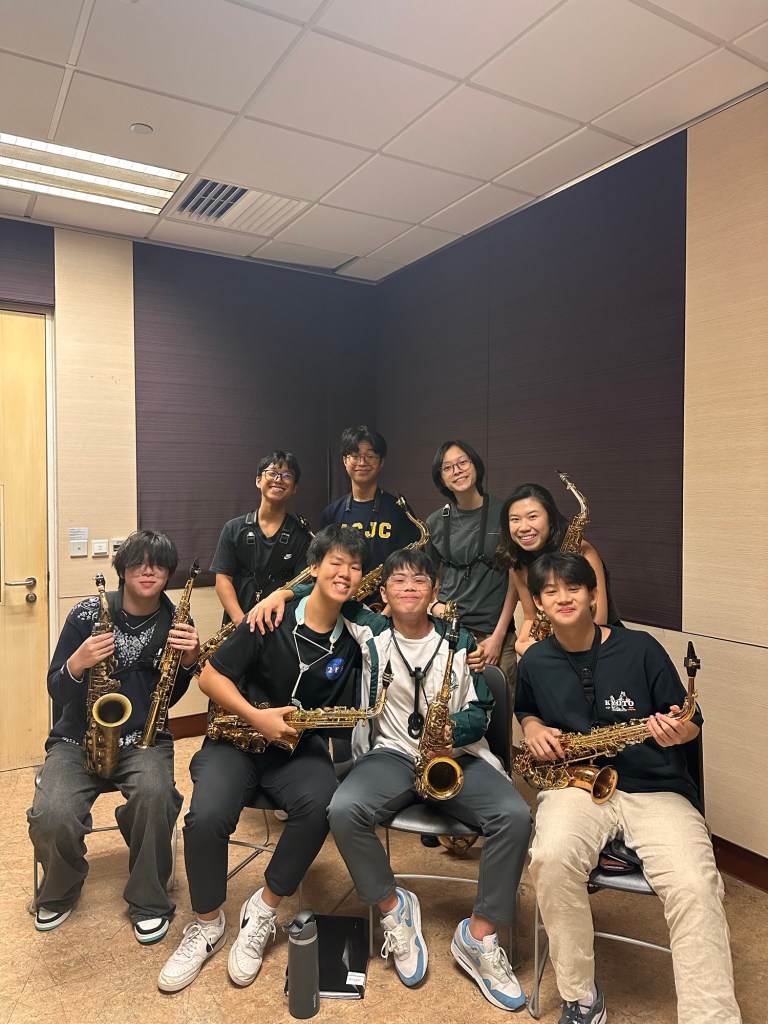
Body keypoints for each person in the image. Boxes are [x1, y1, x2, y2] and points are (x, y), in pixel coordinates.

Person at [252, 548, 532, 1012]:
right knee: (343, 810)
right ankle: (393, 908)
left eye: (419, 581)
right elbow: (327, 589)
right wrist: (282, 592)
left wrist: (453, 731)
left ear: (435, 590)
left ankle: (479, 936)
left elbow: (483, 709)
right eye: (398, 581)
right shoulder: (370, 629)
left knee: (516, 815)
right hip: (392, 754)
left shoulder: (462, 640)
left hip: (455, 757)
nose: (408, 589)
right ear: (383, 591)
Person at [516, 552, 741, 1024]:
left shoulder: (641, 648)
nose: (563, 598)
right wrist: (532, 726)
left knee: (696, 884)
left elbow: (690, 721)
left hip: (655, 789)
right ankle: (580, 997)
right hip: (576, 784)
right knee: (549, 859)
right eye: (550, 591)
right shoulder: (535, 660)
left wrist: (678, 731)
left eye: (573, 587)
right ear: (537, 603)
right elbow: (526, 708)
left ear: (594, 594)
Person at [157, 525, 366, 993]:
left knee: (322, 806)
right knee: (206, 817)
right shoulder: (269, 617)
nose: (345, 573)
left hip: (297, 749)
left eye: (355, 567)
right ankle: (207, 924)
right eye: (336, 562)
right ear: (313, 569)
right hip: (237, 738)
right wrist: (257, 716)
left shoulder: (356, 635)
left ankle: (264, 909)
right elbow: (209, 678)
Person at [27, 531, 200, 944]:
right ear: (122, 568)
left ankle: (149, 900)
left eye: (158, 564)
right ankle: (61, 888)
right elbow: (56, 688)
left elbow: (168, 696)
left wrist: (189, 662)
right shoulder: (86, 614)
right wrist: (77, 662)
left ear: (169, 574)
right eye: (138, 562)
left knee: (156, 798)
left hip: (143, 739)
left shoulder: (178, 621)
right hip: (77, 740)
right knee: (52, 813)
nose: (148, 570)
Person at [425, 440, 518, 697]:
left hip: (494, 636)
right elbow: (424, 578)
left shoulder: (504, 513)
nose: (457, 471)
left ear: (475, 465)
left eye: (462, 462)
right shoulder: (434, 521)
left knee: (498, 713)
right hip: (447, 633)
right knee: (448, 708)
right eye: (447, 468)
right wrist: (433, 605)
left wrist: (498, 636)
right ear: (441, 479)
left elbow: (516, 580)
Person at [495, 482, 619, 657]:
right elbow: (531, 617)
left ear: (550, 519)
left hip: (601, 647)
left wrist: (552, 655)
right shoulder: (519, 561)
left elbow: (600, 621)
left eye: (532, 516)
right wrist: (522, 644)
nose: (523, 527)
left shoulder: (582, 551)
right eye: (515, 519)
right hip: (554, 645)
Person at [210, 449, 312, 626]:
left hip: (279, 625)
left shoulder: (302, 535)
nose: (278, 479)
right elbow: (223, 580)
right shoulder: (233, 528)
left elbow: (302, 586)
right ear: (258, 480)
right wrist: (240, 622)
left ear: (294, 488)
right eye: (272, 473)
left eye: (287, 475)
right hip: (236, 623)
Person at [320, 425, 422, 576]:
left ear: (381, 462)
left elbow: (413, 561)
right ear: (345, 461)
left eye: (370, 456)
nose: (362, 463)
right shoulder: (331, 513)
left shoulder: (399, 509)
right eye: (355, 456)